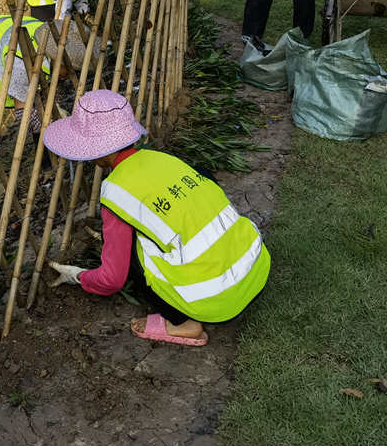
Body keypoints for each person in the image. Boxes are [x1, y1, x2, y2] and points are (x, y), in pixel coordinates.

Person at [42, 90, 270, 346]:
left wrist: (78, 276)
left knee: (132, 256)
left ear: (99, 151)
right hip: (254, 267)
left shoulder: (115, 190)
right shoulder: (162, 158)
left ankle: (185, 324)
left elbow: (112, 278)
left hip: (216, 301)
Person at [0, 13, 89, 170]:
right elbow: (24, 115)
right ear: (55, 59)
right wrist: (52, 124)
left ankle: (47, 159)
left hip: (4, 32)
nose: (69, 75)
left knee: (43, 107)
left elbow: (48, 98)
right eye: (68, 69)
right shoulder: (21, 64)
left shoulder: (49, 41)